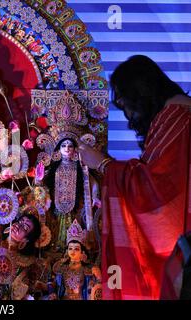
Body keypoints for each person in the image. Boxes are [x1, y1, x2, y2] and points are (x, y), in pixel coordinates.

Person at [78, 55, 191, 299]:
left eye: (126, 105)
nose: (129, 118)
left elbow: (155, 191)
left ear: (141, 92)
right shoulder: (174, 115)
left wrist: (103, 164)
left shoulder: (178, 118)